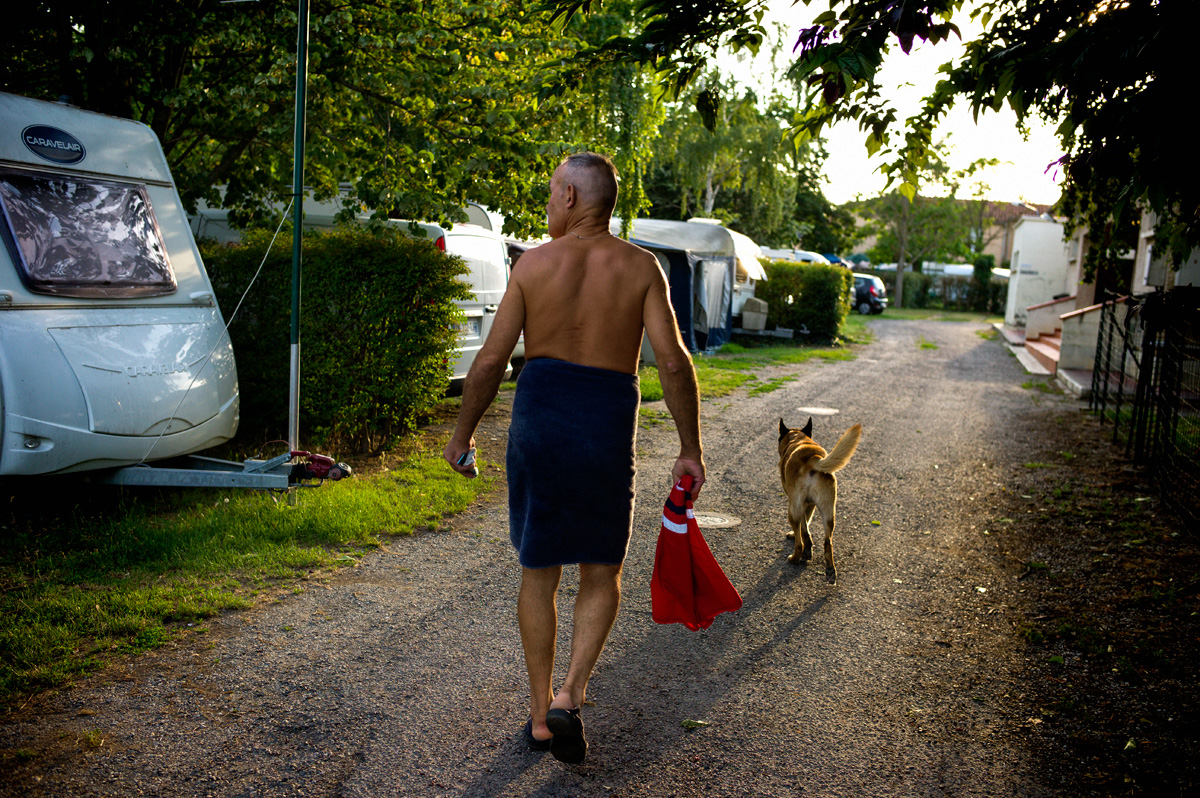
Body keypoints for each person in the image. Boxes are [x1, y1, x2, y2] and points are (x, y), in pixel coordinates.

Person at [443, 152, 705, 764]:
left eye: (549, 192)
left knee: (539, 571)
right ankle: (571, 692)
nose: (546, 203)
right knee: (600, 570)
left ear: (567, 197)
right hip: (606, 427)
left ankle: (539, 717)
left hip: (540, 421)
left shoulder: (533, 265)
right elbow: (672, 362)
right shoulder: (643, 268)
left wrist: (461, 437)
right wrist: (689, 448)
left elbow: (488, 364)